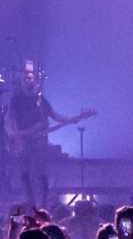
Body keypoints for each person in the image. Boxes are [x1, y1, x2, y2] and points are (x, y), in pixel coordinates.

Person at [6, 65, 87, 212]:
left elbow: (55, 116)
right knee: (24, 174)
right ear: (22, 82)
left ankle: (42, 205)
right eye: (26, 79)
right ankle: (30, 203)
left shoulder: (40, 99)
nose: (28, 82)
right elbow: (11, 120)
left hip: (38, 143)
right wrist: (18, 136)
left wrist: (74, 119)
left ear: (35, 82)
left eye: (31, 79)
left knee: (40, 173)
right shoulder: (16, 100)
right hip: (22, 142)